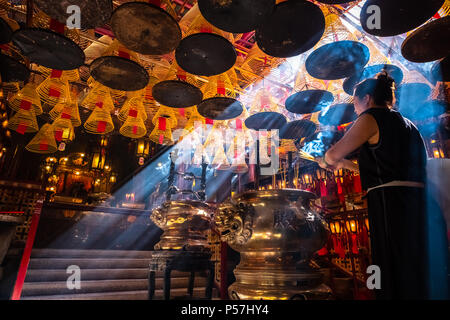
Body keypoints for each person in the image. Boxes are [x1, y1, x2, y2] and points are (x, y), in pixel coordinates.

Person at [317, 72, 432, 299]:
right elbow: (385, 168)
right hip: (412, 199)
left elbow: (332, 153)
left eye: (356, 102)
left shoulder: (371, 117)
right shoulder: (406, 124)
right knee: (411, 258)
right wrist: (345, 165)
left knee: (388, 259)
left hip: (390, 201)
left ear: (367, 98)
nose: (356, 108)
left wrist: (328, 160)